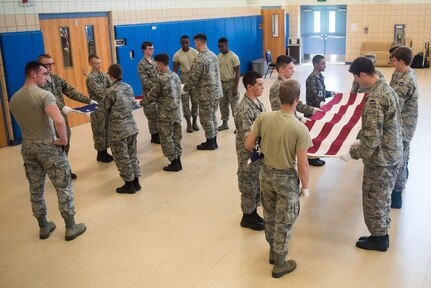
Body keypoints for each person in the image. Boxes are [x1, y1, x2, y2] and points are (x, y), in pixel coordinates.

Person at [9, 61, 86, 241]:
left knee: (35, 188)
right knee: (63, 185)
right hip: (48, 146)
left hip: (28, 147)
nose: (47, 77)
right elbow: (59, 121)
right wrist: (64, 140)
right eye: (44, 74)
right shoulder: (45, 95)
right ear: (33, 74)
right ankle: (70, 226)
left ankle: (43, 226)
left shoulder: (14, 98)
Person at [245, 79, 311, 278]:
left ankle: (273, 252)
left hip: (265, 174)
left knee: (270, 216)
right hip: (286, 179)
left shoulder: (264, 117)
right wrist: (305, 187)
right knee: (285, 220)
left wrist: (264, 149)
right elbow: (303, 164)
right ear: (297, 100)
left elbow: (249, 144)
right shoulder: (299, 129)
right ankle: (280, 263)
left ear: (280, 97)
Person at [339, 57, 403, 252]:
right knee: (383, 198)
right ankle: (380, 232)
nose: (357, 82)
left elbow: (372, 140)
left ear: (363, 75)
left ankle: (379, 238)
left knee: (374, 198)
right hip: (391, 153)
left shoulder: (375, 99)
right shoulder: (386, 88)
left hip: (381, 159)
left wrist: (352, 153)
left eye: (357, 78)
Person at [38, 54, 96, 179]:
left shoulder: (56, 79)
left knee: (65, 143)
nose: (50, 67)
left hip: (62, 119)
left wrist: (89, 101)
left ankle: (64, 169)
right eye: (46, 64)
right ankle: (58, 172)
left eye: (51, 64)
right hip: (48, 121)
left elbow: (72, 92)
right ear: (40, 66)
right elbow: (49, 98)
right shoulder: (39, 84)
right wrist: (62, 107)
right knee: (53, 147)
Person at [98, 64, 141, 194]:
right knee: (132, 155)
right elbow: (132, 103)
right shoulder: (128, 87)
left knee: (122, 157)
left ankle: (129, 184)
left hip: (118, 130)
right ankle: (136, 182)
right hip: (131, 127)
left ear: (110, 75)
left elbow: (103, 110)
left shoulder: (110, 91)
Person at [233, 71, 266, 231]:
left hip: (258, 156)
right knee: (248, 186)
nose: (262, 87)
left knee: (256, 185)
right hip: (249, 157)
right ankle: (247, 218)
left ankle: (253, 213)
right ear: (249, 87)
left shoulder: (257, 103)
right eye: (259, 84)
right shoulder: (244, 109)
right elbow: (248, 143)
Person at [140, 54, 183, 172]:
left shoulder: (161, 79)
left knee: (166, 138)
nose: (155, 66)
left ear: (160, 64)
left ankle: (173, 162)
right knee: (176, 137)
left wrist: (140, 103)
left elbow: (152, 95)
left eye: (156, 64)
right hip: (176, 112)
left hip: (165, 114)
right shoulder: (175, 76)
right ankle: (178, 160)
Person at [389, 46, 419, 209]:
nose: (392, 64)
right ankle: (404, 174)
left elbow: (394, 105)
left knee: (400, 157)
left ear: (401, 61)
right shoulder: (400, 73)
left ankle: (396, 195)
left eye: (394, 61)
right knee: (404, 153)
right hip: (403, 121)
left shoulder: (405, 80)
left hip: (404, 124)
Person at [183, 33, 223, 150]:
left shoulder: (200, 58)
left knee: (205, 118)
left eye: (195, 43)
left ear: (199, 43)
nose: (194, 45)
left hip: (206, 94)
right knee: (212, 116)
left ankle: (210, 142)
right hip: (216, 92)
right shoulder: (213, 55)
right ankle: (214, 140)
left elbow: (194, 77)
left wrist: (185, 88)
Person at [305, 54, 335, 167]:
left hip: (319, 110)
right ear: (316, 64)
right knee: (311, 135)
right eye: (323, 63)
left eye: (325, 63)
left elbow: (321, 92)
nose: (325, 65)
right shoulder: (311, 79)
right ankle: (310, 157)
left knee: (317, 133)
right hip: (312, 111)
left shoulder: (320, 77)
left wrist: (331, 93)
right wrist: (321, 105)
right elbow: (313, 96)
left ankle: (315, 155)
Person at [269, 55, 319, 121]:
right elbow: (282, 114)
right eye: (290, 68)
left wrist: (313, 110)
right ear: (281, 69)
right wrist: (299, 120)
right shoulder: (277, 88)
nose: (293, 71)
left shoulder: (287, 84)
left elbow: (296, 104)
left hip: (292, 122)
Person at [86, 54, 113, 163]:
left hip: (106, 107)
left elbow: (111, 86)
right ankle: (100, 154)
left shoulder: (104, 75)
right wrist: (111, 92)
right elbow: (101, 92)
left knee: (107, 130)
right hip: (97, 108)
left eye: (100, 63)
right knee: (99, 130)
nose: (99, 65)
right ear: (91, 64)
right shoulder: (90, 78)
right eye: (97, 63)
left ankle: (105, 152)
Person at [173, 35, 200, 133]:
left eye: (186, 43)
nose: (185, 44)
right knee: (185, 103)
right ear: (180, 43)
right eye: (183, 43)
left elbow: (199, 68)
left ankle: (194, 122)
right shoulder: (177, 55)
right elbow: (175, 71)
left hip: (194, 78)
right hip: (183, 78)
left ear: (189, 43)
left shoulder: (195, 53)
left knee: (195, 101)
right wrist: (176, 84)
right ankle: (188, 123)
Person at [137, 41, 160, 144]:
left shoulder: (155, 61)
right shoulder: (141, 64)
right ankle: (154, 136)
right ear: (144, 50)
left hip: (158, 93)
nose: (152, 50)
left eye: (152, 48)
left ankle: (159, 133)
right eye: (149, 49)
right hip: (149, 93)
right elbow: (144, 81)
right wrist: (157, 87)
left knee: (158, 113)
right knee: (151, 115)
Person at [217, 37, 241, 131]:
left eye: (222, 46)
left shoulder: (234, 57)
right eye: (218, 46)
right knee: (223, 105)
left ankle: (238, 126)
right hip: (221, 84)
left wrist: (235, 88)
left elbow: (238, 74)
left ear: (226, 45)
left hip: (231, 84)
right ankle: (224, 124)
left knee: (234, 107)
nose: (220, 48)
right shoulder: (218, 57)